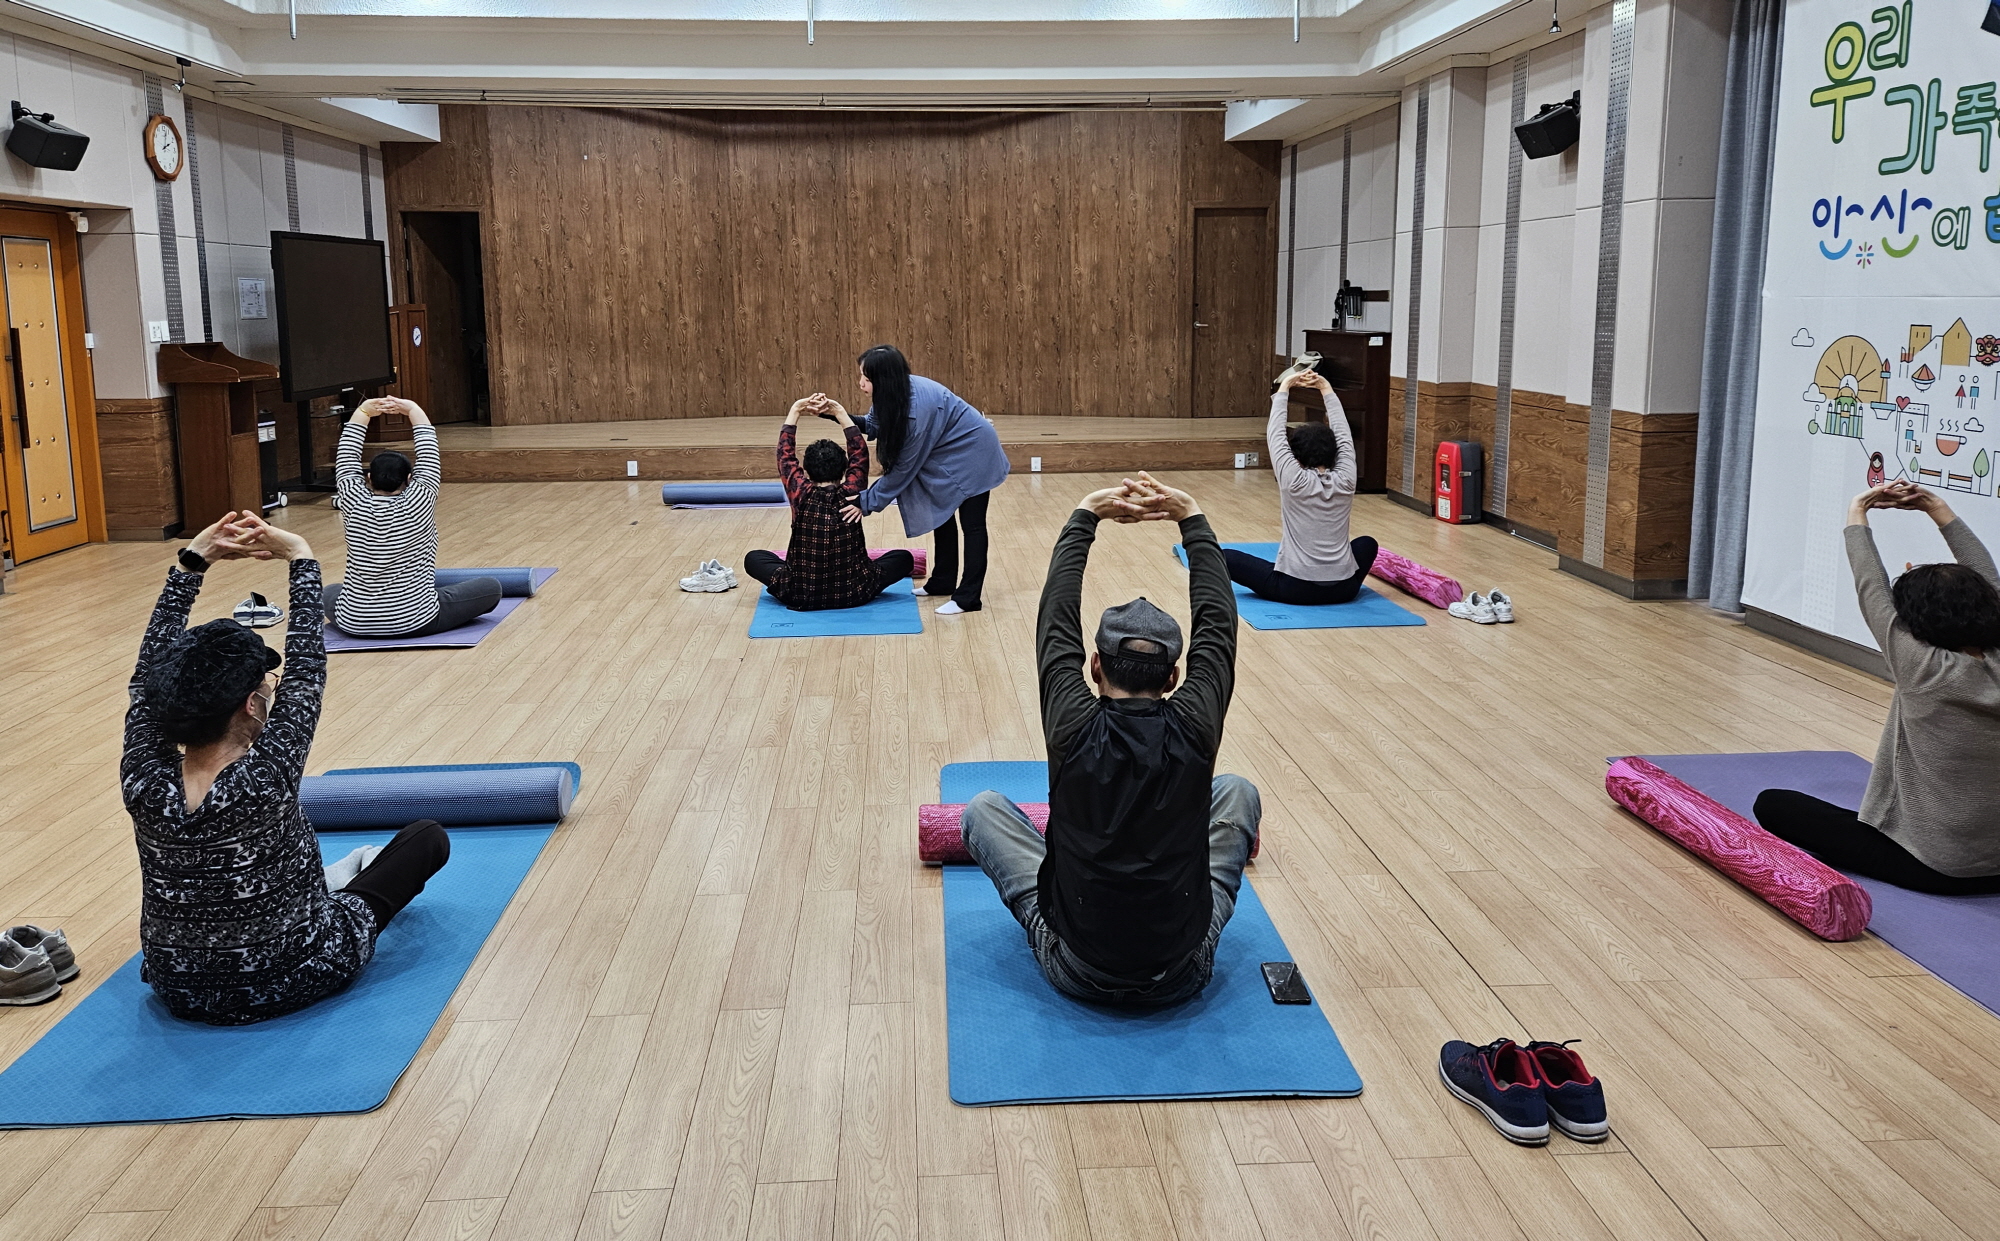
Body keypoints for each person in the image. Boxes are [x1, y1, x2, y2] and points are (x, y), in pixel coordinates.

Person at [124, 511, 451, 1025]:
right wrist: (299, 555)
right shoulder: (264, 779)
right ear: (252, 705)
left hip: (178, 987)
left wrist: (192, 563)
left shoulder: (142, 781)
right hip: (296, 974)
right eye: (267, 689)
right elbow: (306, 668)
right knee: (427, 838)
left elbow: (146, 678)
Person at [960, 472, 1262, 1006]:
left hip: (1077, 968)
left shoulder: (1071, 723)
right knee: (1238, 791)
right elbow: (1218, 627)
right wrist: (1191, 519)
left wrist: (1086, 516)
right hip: (1180, 972)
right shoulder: (1196, 724)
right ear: (1173, 678)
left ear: (1095, 666)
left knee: (982, 809)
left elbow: (1055, 618)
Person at [1753, 481, 2000, 895]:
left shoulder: (1923, 668)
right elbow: (1988, 579)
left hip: (1940, 868)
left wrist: (1858, 512)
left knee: (1773, 804)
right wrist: (1938, 509)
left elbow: (1871, 587)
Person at [827, 345, 1009, 615]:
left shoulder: (917, 410)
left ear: (884, 379)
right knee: (942, 516)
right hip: (948, 454)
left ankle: (968, 598)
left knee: (973, 526)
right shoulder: (893, 392)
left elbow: (903, 469)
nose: (861, 383)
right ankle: (943, 581)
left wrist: (866, 502)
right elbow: (874, 425)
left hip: (975, 454)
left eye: (866, 378)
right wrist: (834, 413)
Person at [324, 397, 501, 638]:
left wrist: (363, 411)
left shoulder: (352, 499)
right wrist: (413, 409)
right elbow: (428, 452)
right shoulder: (419, 499)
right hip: (416, 620)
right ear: (409, 479)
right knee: (491, 588)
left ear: (369, 479)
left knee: (329, 592)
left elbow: (346, 455)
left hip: (354, 621)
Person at [742, 394, 915, 609]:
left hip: (800, 593)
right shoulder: (852, 492)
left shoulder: (800, 492)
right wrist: (839, 412)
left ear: (806, 471)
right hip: (855, 592)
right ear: (844, 469)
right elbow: (859, 453)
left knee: (754, 558)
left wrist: (796, 410)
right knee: (903, 558)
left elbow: (785, 456)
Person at [1223, 370, 1378, 605]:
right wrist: (1325, 388)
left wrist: (1285, 387)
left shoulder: (1293, 480)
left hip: (1294, 589)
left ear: (1296, 457)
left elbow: (1276, 435)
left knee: (1225, 557)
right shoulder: (1347, 479)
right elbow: (1344, 436)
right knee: (1367, 543)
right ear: (1335, 453)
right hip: (1344, 589)